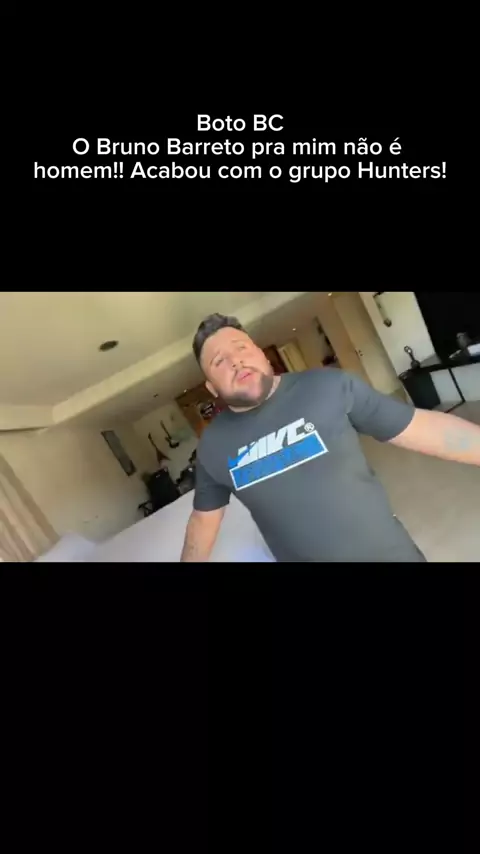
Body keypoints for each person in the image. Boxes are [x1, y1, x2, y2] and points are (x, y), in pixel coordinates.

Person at [180, 313, 480, 562]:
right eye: (219, 361)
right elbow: (203, 521)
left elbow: (424, 427)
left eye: (241, 348)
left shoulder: (328, 386)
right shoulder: (213, 447)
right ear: (211, 388)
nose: (235, 361)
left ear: (261, 354)